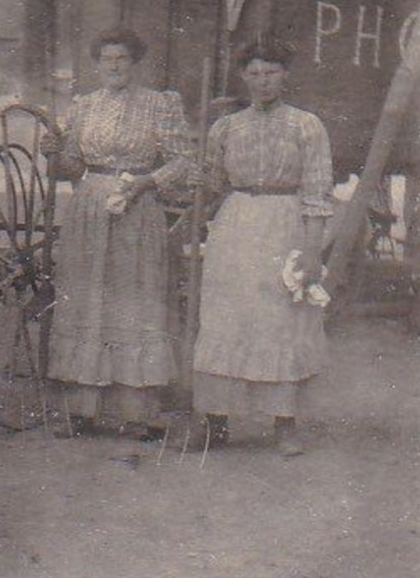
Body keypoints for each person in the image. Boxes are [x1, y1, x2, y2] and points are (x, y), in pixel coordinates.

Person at [42, 29, 192, 439]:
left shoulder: (159, 105)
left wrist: (147, 182)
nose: (114, 66)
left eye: (122, 58)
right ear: (96, 64)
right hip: (90, 208)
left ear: (135, 63)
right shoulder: (83, 107)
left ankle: (137, 413)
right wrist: (53, 151)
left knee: (133, 300)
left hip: (138, 210)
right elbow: (72, 166)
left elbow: (183, 162)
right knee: (88, 299)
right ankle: (82, 409)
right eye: (106, 59)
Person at [192, 39, 333, 457]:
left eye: (271, 72)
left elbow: (317, 193)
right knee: (225, 319)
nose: (262, 81)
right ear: (243, 78)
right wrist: (201, 178)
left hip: (282, 224)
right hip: (235, 225)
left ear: (285, 76)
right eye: (253, 73)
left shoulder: (307, 125)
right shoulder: (226, 127)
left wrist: (311, 252)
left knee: (279, 322)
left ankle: (283, 424)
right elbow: (213, 185)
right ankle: (216, 422)